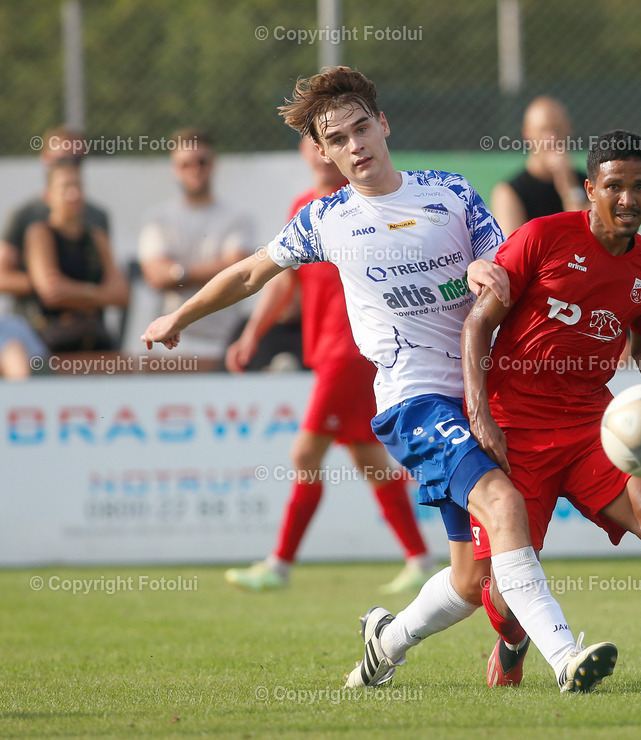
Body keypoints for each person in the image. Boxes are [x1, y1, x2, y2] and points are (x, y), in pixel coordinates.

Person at [141, 66, 616, 693]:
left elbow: (501, 261)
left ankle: (383, 644)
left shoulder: (449, 192)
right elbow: (251, 274)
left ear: (383, 124)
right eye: (336, 140)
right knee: (503, 503)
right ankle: (565, 661)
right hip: (413, 402)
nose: (354, 146)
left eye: (361, 128)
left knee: (472, 581)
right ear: (324, 151)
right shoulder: (325, 218)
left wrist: (485, 268)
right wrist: (179, 313)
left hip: (481, 390)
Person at [462, 130, 641, 692]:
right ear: (589, 189)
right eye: (614, 186)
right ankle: (515, 639)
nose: (628, 199)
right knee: (498, 587)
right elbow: (478, 325)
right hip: (514, 429)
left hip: (594, 426)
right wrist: (481, 414)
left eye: (639, 187)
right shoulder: (541, 238)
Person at [223, 135, 436, 594]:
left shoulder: (362, 206)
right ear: (307, 152)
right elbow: (281, 282)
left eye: (336, 142)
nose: (324, 153)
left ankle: (279, 565)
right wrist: (251, 334)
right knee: (369, 459)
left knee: (304, 455)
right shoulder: (306, 208)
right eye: (318, 143)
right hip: (328, 352)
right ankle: (420, 558)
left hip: (351, 352)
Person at [138, 128, 253, 363]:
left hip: (224, 341)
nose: (195, 170)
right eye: (185, 164)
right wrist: (217, 270)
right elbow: (155, 275)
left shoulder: (238, 217)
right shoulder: (158, 218)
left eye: (201, 162)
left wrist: (178, 273)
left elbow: (239, 270)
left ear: (213, 164)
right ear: (174, 169)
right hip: (169, 341)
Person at [23, 159, 129, 352]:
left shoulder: (97, 236)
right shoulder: (40, 234)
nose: (73, 194)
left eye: (78, 186)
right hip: (52, 343)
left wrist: (73, 294)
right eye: (65, 187)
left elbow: (121, 294)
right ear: (48, 195)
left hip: (96, 339)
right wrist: (97, 294)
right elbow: (51, 291)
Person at [489, 96, 588, 236]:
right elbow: (512, 252)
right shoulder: (509, 192)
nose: (551, 139)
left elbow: (590, 238)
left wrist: (569, 187)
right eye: (542, 131)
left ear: (569, 129)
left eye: (557, 129)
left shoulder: (590, 184)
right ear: (527, 133)